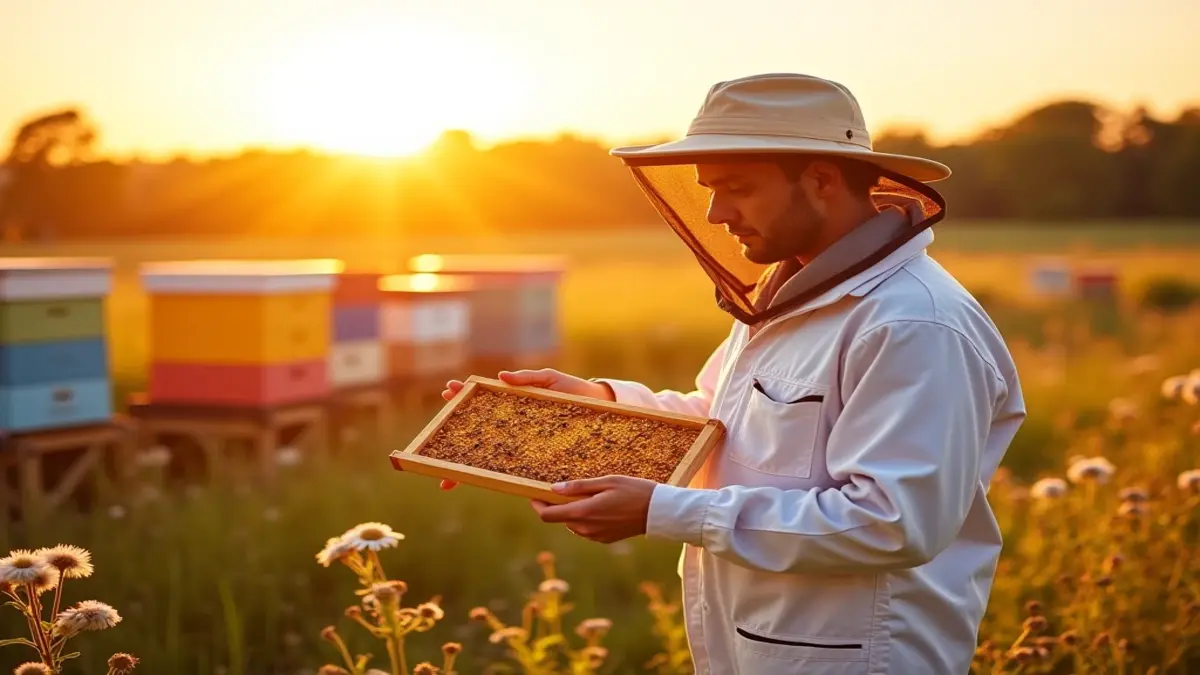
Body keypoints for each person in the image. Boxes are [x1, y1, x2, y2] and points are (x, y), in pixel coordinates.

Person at [440, 73, 1026, 674]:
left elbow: (893, 522)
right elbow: (720, 420)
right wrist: (594, 402)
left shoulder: (914, 325)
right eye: (710, 190)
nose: (717, 214)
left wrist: (664, 510)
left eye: (737, 189)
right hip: (759, 641)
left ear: (822, 180)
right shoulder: (794, 292)